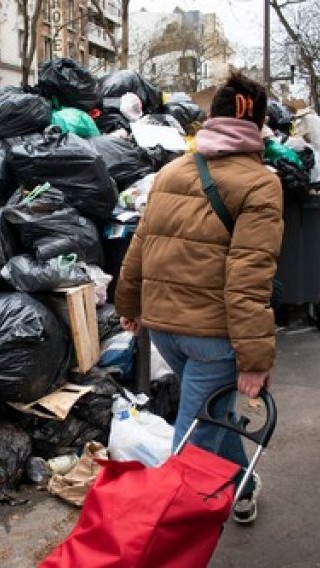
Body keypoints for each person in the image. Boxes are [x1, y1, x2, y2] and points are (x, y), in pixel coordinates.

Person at [115, 71, 283, 524]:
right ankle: (161, 538)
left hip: (166, 329)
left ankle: (241, 488)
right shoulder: (261, 183)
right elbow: (249, 279)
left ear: (213, 118)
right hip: (213, 338)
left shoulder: (171, 170)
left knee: (210, 415)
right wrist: (253, 359)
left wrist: (128, 305)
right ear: (258, 125)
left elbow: (139, 245)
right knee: (187, 450)